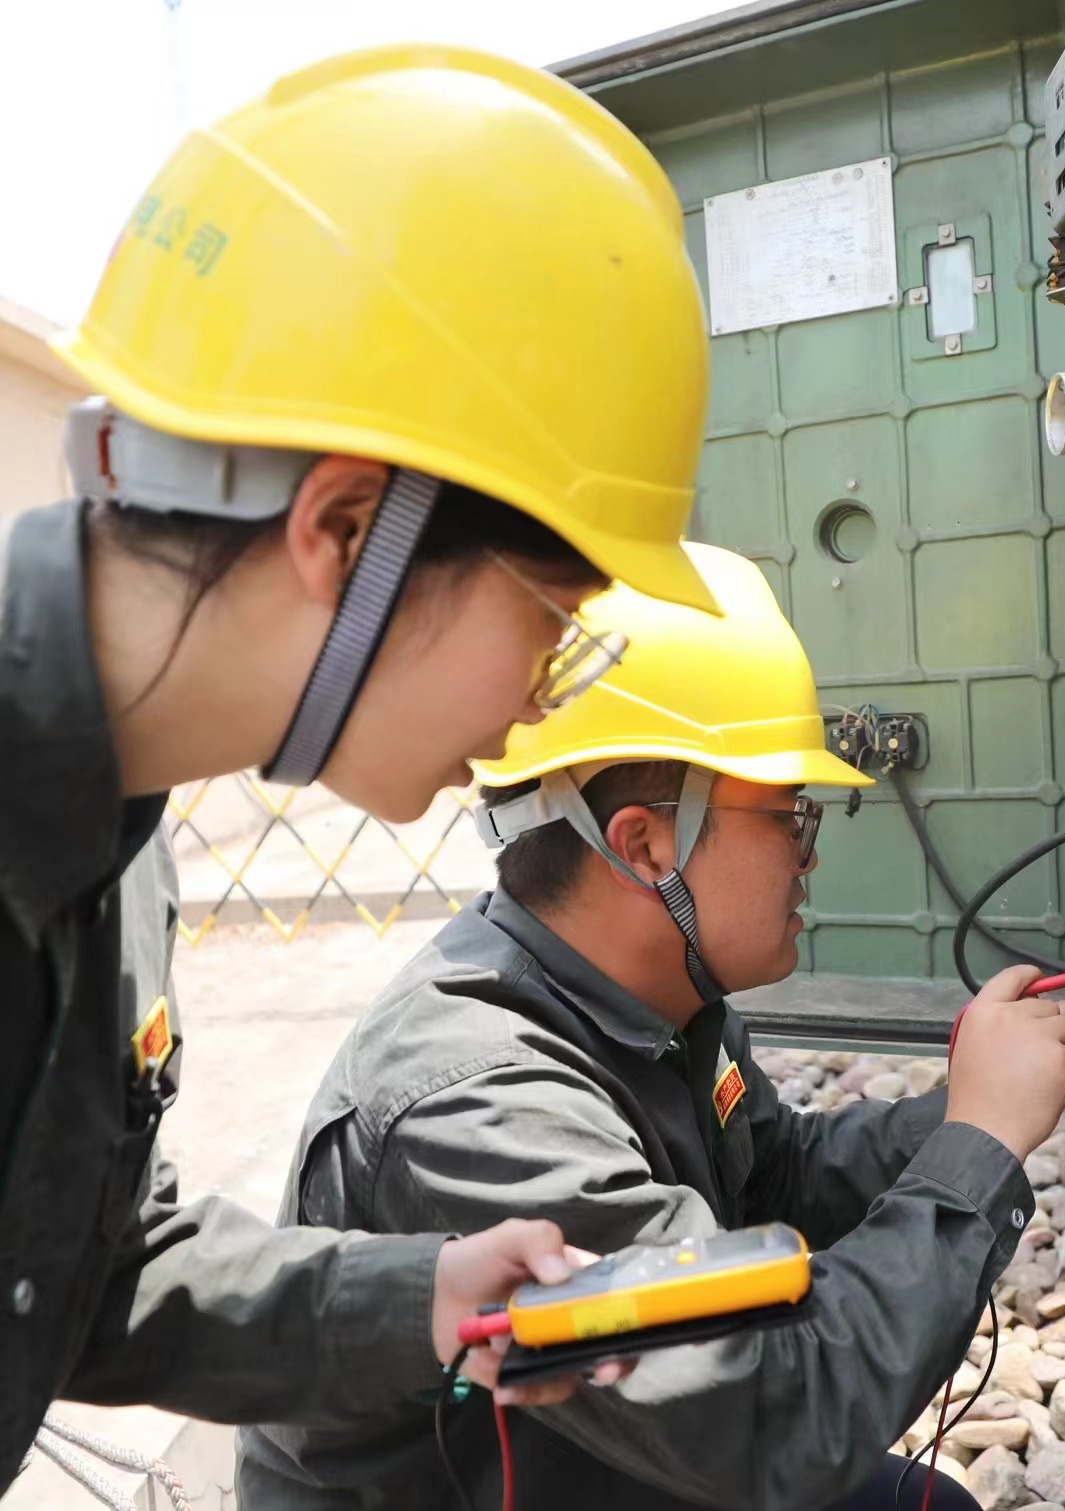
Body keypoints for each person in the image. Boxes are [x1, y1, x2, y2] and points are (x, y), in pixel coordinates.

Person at [1, 45, 718, 1489]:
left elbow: (83, 1274)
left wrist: (423, 1294)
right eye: (553, 624)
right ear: (344, 532)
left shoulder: (116, 838)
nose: (533, 712)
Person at [236, 549, 1065, 1511]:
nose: (808, 856)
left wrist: (971, 1102)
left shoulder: (649, 997)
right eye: (789, 815)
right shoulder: (484, 1105)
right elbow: (780, 1410)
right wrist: (979, 1144)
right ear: (646, 843)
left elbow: (775, 1177)